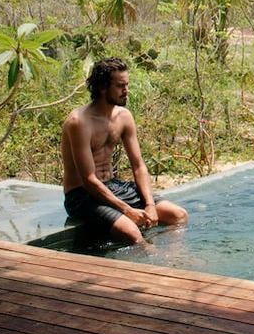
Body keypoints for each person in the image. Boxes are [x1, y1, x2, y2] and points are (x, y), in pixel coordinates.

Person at [61, 57, 188, 244]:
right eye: (120, 86)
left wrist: (150, 204)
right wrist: (127, 210)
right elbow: (89, 180)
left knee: (178, 215)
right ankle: (151, 266)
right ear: (103, 87)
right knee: (132, 233)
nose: (126, 91)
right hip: (82, 196)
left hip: (113, 186)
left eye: (126, 85)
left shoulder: (124, 116)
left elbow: (138, 166)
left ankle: (174, 262)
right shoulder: (79, 122)